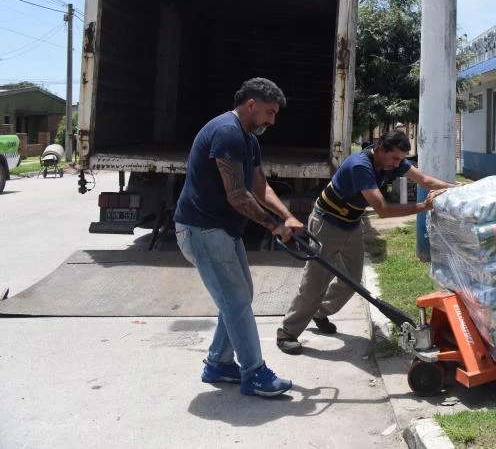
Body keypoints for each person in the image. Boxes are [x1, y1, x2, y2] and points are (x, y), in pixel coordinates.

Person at [173, 77, 301, 398]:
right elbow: (237, 195)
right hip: (201, 229)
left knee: (239, 297)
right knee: (236, 301)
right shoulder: (227, 132)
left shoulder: (249, 140)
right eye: (270, 113)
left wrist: (286, 216)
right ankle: (254, 373)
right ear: (251, 105)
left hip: (221, 229)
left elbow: (260, 187)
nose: (273, 120)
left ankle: (218, 363)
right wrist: (274, 225)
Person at [277, 130, 456, 354]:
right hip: (327, 223)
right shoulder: (360, 166)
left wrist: (456, 190)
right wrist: (423, 207)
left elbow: (426, 180)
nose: (397, 164)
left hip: (351, 223)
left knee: (351, 279)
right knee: (315, 282)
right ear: (380, 148)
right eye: (394, 158)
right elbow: (382, 209)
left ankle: (320, 312)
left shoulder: (393, 162)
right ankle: (287, 332)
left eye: (401, 159)